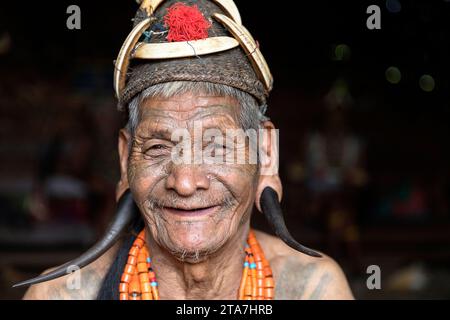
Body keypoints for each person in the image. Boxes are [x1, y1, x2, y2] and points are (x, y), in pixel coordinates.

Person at [18, 0, 353, 300]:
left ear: (265, 153)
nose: (186, 182)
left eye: (217, 146)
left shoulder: (312, 289)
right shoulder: (60, 295)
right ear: (125, 159)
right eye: (158, 147)